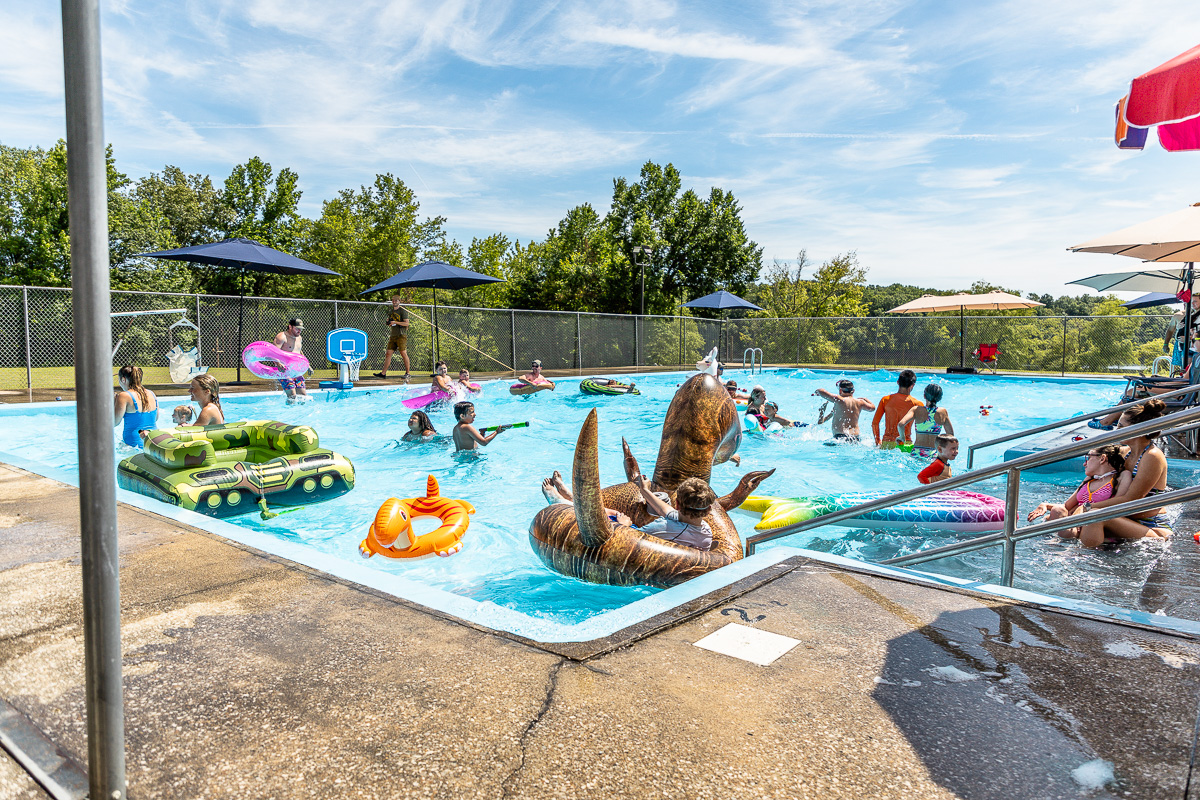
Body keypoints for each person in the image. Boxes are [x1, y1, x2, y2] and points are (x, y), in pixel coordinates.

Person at [1076, 399, 1174, 548]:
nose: (1117, 430)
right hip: (1124, 519)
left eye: (1121, 426)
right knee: (1074, 514)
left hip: (1150, 526)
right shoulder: (1126, 452)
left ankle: (1082, 558)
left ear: (1138, 429)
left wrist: (1087, 506)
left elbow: (1131, 499)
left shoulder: (1152, 456)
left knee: (1093, 516)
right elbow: (1096, 464)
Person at [540, 471, 714, 551]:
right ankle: (571, 497)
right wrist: (644, 490)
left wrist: (624, 525)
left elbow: (631, 539)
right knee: (612, 512)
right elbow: (666, 510)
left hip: (629, 541)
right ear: (708, 510)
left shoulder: (665, 527)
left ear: (677, 504)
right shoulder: (705, 530)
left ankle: (558, 500)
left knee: (609, 516)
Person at [1028, 445, 1129, 540]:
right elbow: (1067, 506)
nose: (1084, 463)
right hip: (1075, 524)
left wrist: (1085, 508)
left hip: (1091, 525)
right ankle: (1056, 542)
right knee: (1057, 510)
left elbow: (1119, 503)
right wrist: (1045, 505)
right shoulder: (1089, 479)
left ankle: (1056, 544)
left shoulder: (1121, 476)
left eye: (1088, 458)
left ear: (1102, 458)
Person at [900, 384, 955, 457]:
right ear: (940, 398)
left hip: (917, 452)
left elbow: (901, 424)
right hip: (934, 454)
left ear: (924, 396)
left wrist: (902, 438)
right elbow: (950, 435)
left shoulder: (916, 410)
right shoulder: (943, 412)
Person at [872, 369, 922, 448]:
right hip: (906, 444)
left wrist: (877, 441)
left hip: (887, 443)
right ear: (913, 385)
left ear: (898, 382)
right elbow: (923, 427)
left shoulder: (885, 400)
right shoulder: (917, 404)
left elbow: (875, 423)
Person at [113, 365, 159, 447]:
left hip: (134, 445)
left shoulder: (124, 396)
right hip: (155, 442)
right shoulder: (152, 393)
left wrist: (114, 403)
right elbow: (155, 418)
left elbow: (114, 422)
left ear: (123, 379)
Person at [373, 294, 411, 382]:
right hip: (393, 335)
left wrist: (396, 322)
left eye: (396, 300)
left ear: (399, 301)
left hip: (401, 335)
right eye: (393, 300)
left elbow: (406, 323)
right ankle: (383, 373)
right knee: (388, 353)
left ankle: (408, 373)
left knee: (403, 353)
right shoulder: (391, 311)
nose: (394, 302)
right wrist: (389, 322)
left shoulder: (403, 311)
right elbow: (391, 322)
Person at [273, 318, 309, 403]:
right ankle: (288, 410)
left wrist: (308, 365)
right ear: (290, 327)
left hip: (296, 370)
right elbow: (273, 352)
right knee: (292, 396)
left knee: (303, 395)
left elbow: (299, 351)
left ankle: (300, 411)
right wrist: (278, 364)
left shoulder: (299, 338)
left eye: (300, 329)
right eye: (297, 328)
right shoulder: (282, 337)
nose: (299, 331)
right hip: (284, 370)